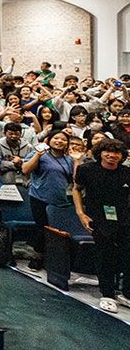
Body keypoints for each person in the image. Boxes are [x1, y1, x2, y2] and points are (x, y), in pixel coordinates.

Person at [72, 139, 130, 313]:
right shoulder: (87, 170)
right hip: (98, 216)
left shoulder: (127, 172)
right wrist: (81, 213)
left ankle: (126, 293)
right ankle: (107, 294)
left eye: (116, 153)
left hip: (124, 218)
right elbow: (77, 189)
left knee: (127, 255)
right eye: (108, 152)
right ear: (100, 153)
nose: (112, 156)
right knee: (105, 254)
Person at [22, 129, 73, 270]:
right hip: (40, 197)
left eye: (63, 139)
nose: (59, 141)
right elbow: (25, 170)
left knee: (57, 231)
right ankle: (37, 257)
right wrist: (38, 155)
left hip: (61, 200)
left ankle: (54, 259)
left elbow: (75, 180)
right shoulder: (40, 155)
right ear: (49, 140)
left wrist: (77, 160)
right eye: (56, 138)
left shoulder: (69, 159)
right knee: (42, 228)